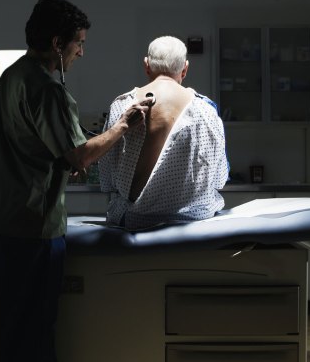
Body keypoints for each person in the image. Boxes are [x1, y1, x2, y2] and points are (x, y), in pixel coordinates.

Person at [0, 0, 149, 361]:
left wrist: (68, 155)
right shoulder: (48, 89)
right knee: (29, 331)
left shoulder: (13, 76)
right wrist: (123, 125)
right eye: (79, 43)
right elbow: (78, 155)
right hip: (29, 228)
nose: (82, 52)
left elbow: (35, 144)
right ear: (58, 44)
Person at [98, 36, 228, 230]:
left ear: (146, 65)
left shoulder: (123, 106)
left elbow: (107, 177)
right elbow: (219, 179)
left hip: (135, 220)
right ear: (185, 68)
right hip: (194, 219)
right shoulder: (206, 109)